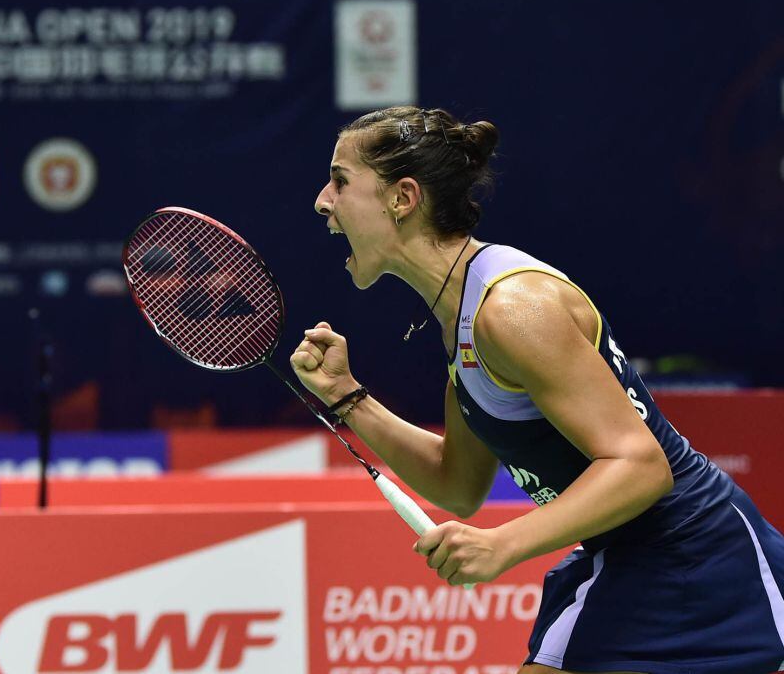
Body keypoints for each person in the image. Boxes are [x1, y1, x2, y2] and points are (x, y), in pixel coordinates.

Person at [290, 106, 784, 674]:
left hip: (693, 555)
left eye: (341, 181)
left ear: (403, 198)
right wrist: (348, 396)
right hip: (623, 555)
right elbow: (458, 483)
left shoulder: (511, 309)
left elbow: (643, 465)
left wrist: (501, 545)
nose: (323, 200)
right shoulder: (460, 317)